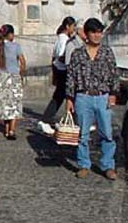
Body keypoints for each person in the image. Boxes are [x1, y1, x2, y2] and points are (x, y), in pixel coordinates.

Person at [65, 17, 119, 180]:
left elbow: (114, 74)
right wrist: (69, 98)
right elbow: (71, 77)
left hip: (102, 97)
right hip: (83, 97)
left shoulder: (107, 52)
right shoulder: (77, 54)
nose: (97, 35)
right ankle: (83, 164)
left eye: (99, 32)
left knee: (107, 134)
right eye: (93, 32)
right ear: (86, 34)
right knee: (83, 134)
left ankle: (108, 165)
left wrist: (113, 94)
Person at [0, 24, 26, 140]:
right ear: (10, 35)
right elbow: (23, 62)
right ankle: (11, 130)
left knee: (5, 105)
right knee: (14, 105)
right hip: (13, 77)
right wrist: (20, 74)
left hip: (1, 78)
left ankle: (7, 129)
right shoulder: (16, 46)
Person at [37, 16, 77, 135]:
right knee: (61, 97)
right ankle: (45, 120)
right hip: (63, 71)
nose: (74, 29)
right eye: (73, 26)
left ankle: (76, 121)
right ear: (67, 26)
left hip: (60, 70)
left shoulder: (61, 39)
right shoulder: (64, 40)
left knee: (65, 97)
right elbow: (61, 55)